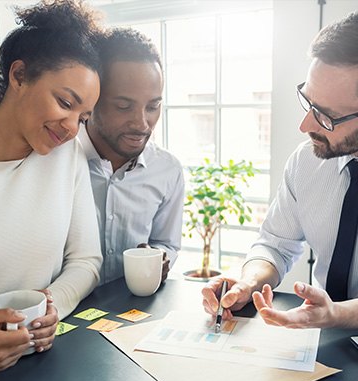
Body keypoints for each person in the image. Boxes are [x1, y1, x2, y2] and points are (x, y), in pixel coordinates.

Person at [0, 0, 103, 371]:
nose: (72, 127)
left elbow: (87, 261)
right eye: (65, 102)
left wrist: (52, 303)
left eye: (83, 116)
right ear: (19, 76)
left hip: (40, 367)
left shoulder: (65, 159)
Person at [202, 11, 358, 329]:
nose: (305, 126)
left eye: (326, 116)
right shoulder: (307, 162)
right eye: (308, 102)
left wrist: (337, 315)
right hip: (322, 344)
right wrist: (249, 282)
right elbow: (275, 245)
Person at [78, 27, 184, 285]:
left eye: (153, 106)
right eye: (123, 106)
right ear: (92, 98)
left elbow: (166, 243)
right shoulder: (57, 160)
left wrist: (159, 257)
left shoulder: (167, 170)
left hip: (132, 312)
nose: (142, 123)